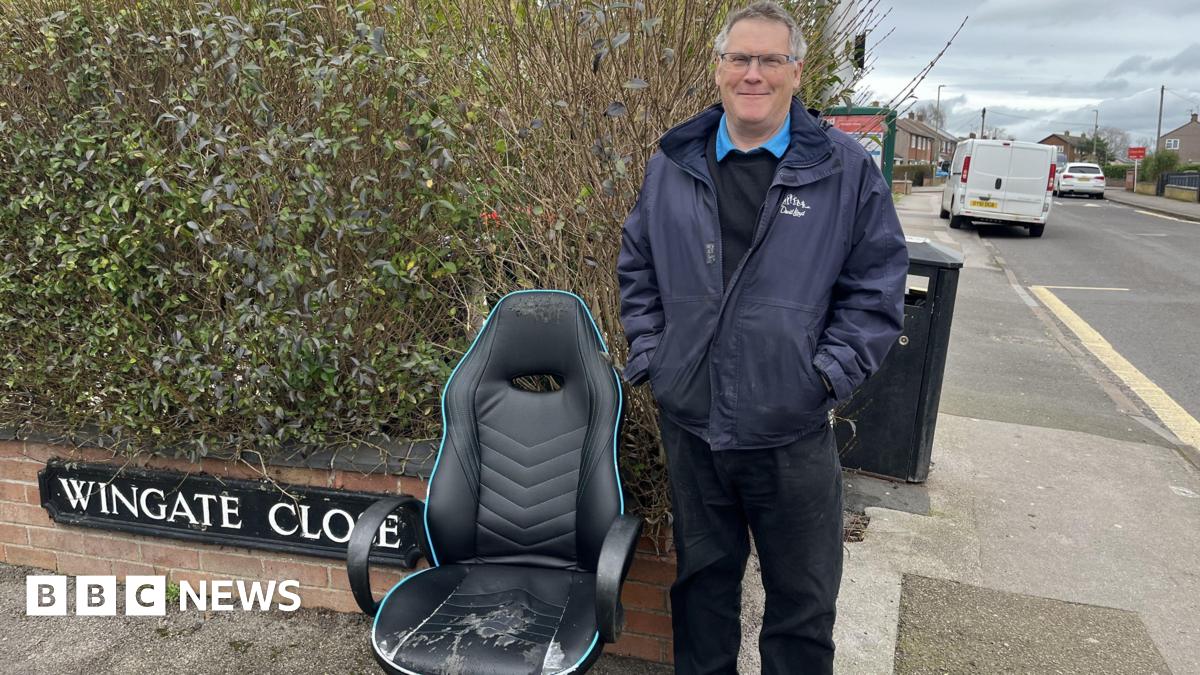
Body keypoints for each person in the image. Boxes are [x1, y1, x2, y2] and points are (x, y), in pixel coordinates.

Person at [616, 2, 908, 673]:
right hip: (694, 425)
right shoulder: (674, 161)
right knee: (702, 593)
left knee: (803, 607)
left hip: (790, 430)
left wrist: (825, 376)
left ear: (796, 72)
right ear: (718, 69)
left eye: (770, 59)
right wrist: (656, 356)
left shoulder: (842, 169)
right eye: (739, 58)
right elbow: (638, 265)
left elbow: (876, 286)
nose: (754, 73)